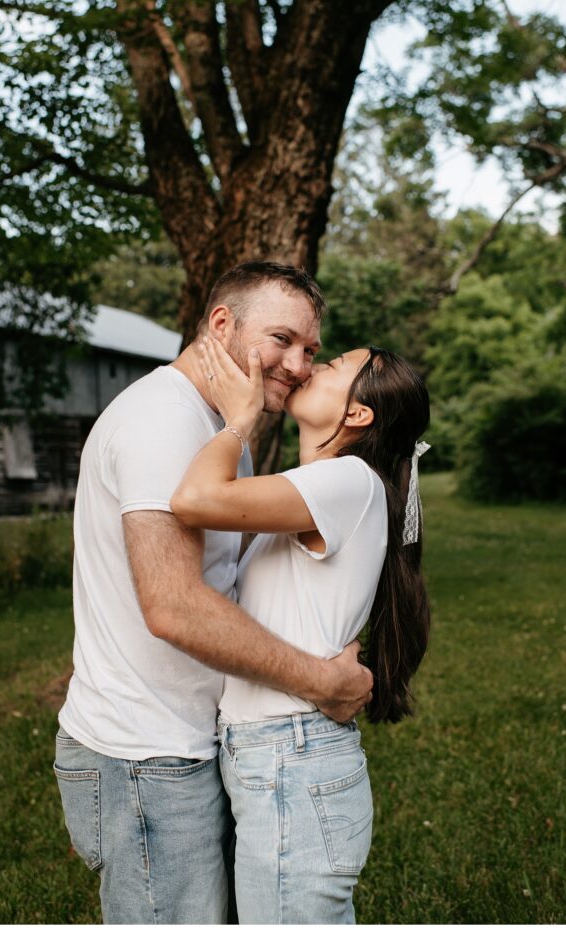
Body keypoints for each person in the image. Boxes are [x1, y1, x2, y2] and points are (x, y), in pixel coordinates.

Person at [53, 262, 373, 925]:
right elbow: (173, 606)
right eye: (282, 339)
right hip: (146, 753)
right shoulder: (165, 419)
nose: (299, 364)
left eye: (311, 350)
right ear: (221, 323)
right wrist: (319, 680)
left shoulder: (223, 418)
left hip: (191, 738)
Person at [171, 334, 431, 925]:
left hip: (293, 755)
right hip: (276, 754)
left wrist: (239, 421)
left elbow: (194, 499)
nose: (309, 367)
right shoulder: (319, 488)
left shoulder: (346, 482)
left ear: (358, 414)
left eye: (332, 365)